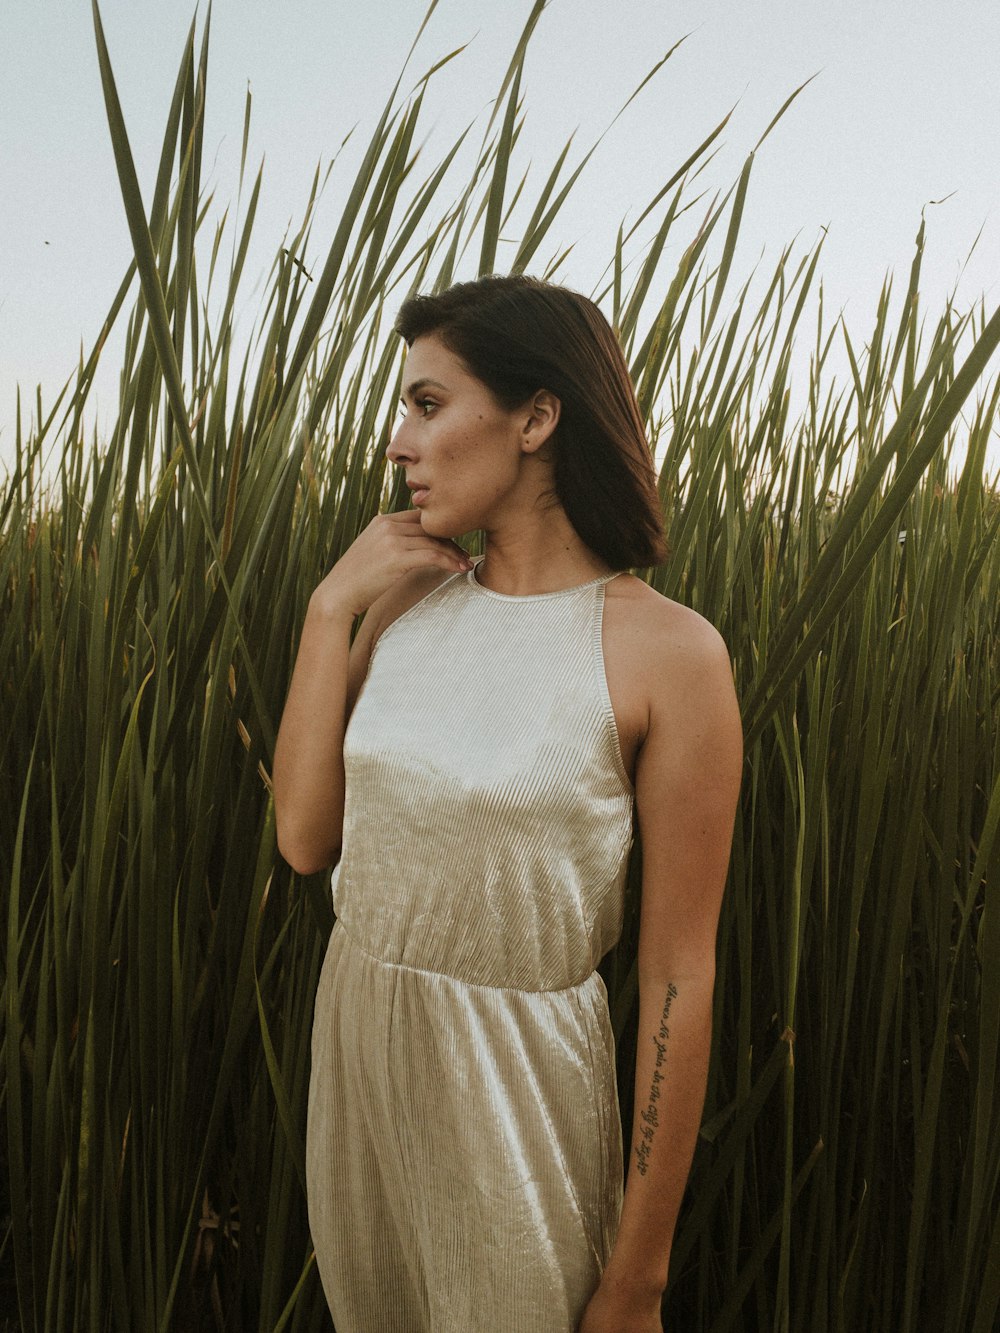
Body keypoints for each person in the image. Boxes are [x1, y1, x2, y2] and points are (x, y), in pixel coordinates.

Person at [273, 274, 743, 1333]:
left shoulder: (669, 653)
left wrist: (638, 1279)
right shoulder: (402, 603)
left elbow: (678, 974)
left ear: (536, 416)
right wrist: (325, 610)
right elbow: (305, 840)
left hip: (514, 1085)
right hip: (357, 1055)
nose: (398, 441)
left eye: (428, 404)